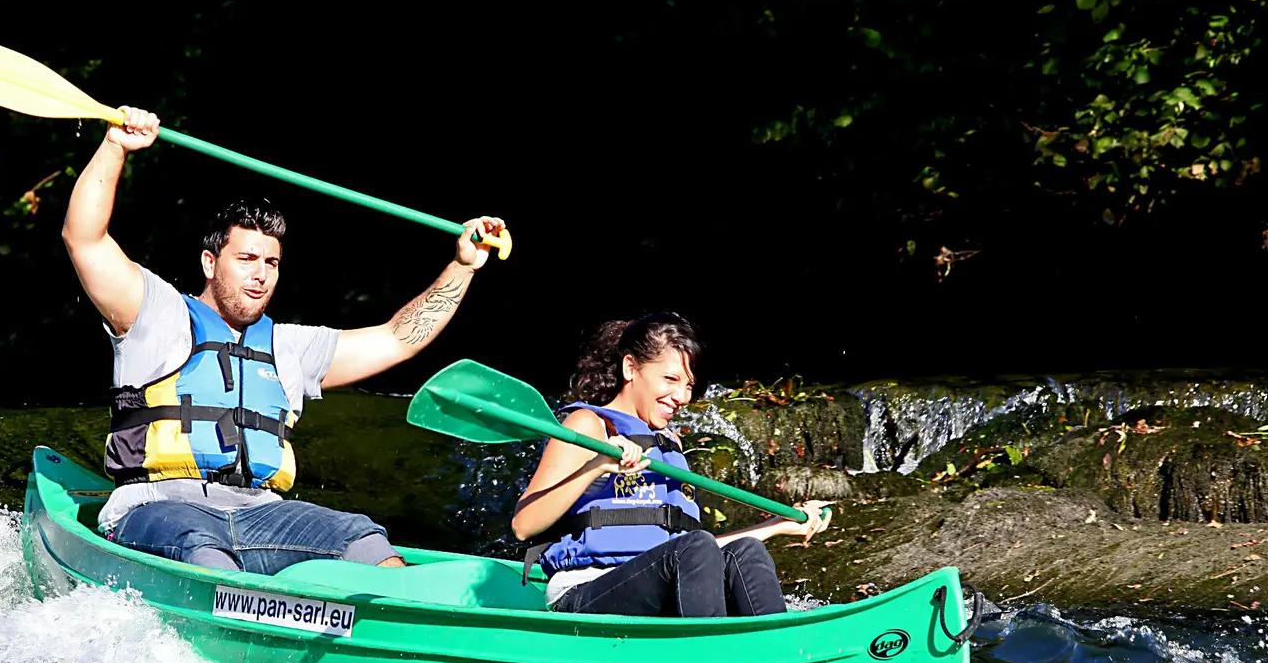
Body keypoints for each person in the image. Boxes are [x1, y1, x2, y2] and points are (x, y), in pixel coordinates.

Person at [63, 106, 506, 574]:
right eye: (247, 259)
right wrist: (115, 147)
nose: (260, 275)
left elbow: (399, 338)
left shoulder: (290, 348)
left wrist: (463, 266)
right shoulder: (155, 313)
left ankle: (392, 633)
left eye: (271, 263)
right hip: (160, 508)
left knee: (365, 538)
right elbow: (85, 239)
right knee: (206, 553)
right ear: (211, 263)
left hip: (261, 512)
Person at [512, 314, 831, 617]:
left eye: (689, 385)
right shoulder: (587, 425)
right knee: (695, 547)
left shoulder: (670, 443)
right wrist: (595, 466)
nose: (681, 396)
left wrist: (776, 525)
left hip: (657, 586)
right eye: (671, 379)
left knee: (746, 551)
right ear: (630, 368)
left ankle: (775, 654)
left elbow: (693, 556)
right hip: (584, 594)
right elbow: (524, 524)